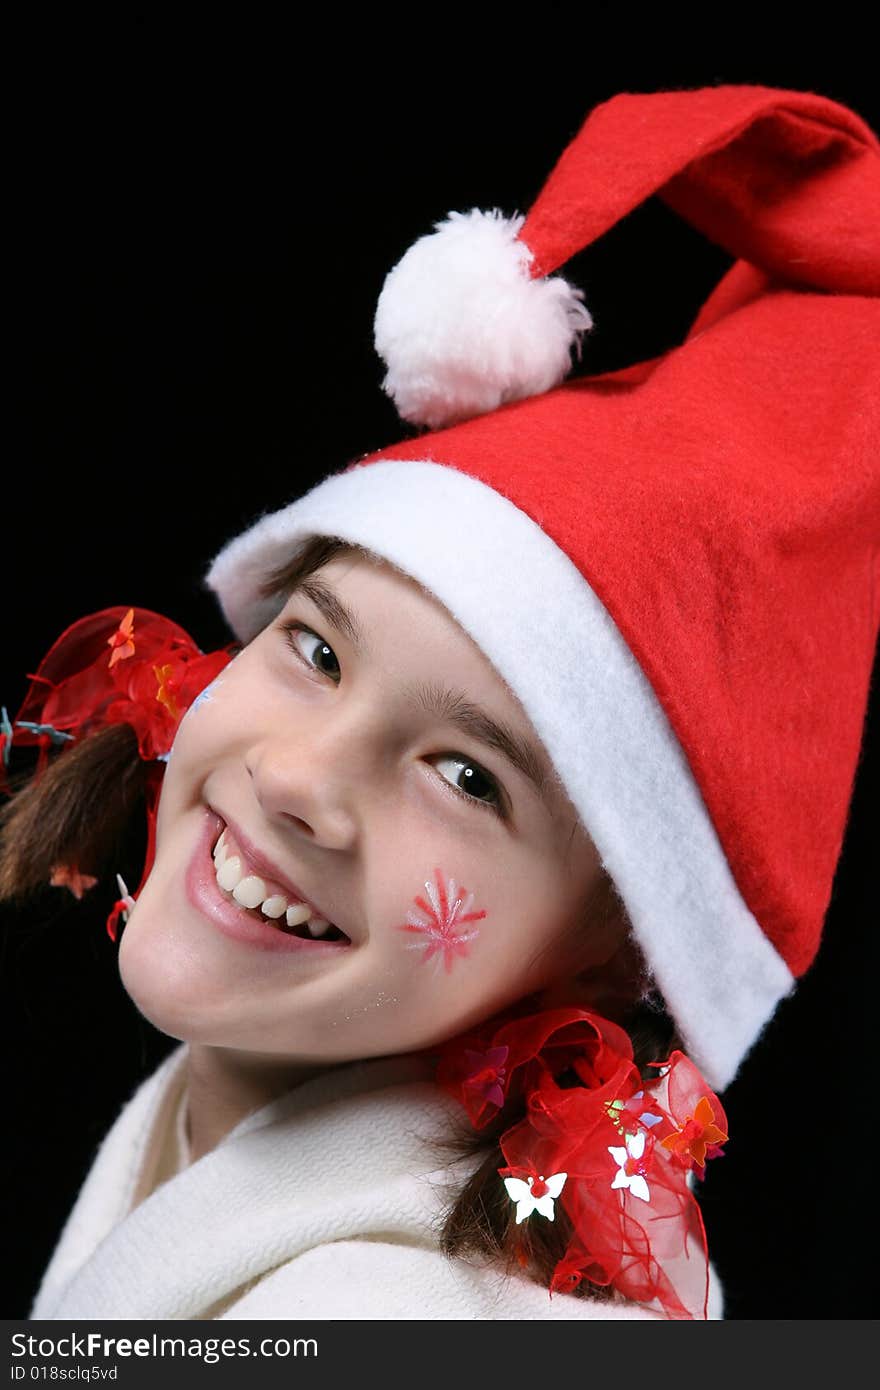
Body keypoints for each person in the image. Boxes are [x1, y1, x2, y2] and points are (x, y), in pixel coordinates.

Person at [2, 83, 877, 1322]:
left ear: (608, 958)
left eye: (468, 776)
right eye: (316, 650)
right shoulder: (235, 1120)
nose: (302, 779)